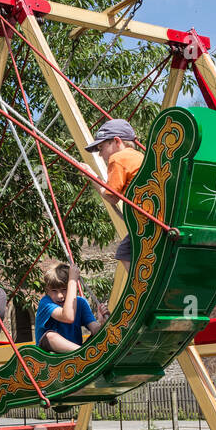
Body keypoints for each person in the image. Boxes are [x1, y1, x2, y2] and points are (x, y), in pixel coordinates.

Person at [85, 119, 145, 311]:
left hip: (145, 221)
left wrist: (92, 178)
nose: (101, 154)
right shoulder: (141, 157)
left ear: (117, 141)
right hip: (151, 216)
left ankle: (141, 289)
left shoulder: (118, 158)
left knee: (124, 251)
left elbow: (111, 196)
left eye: (102, 147)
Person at [34, 262, 110, 354]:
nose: (60, 296)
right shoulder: (46, 303)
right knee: (50, 336)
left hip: (74, 352)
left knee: (101, 335)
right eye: (54, 291)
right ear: (47, 291)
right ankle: (83, 353)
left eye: (64, 289)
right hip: (49, 354)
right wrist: (72, 281)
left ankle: (85, 353)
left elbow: (95, 330)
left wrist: (102, 324)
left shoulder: (81, 303)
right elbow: (68, 317)